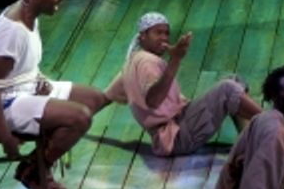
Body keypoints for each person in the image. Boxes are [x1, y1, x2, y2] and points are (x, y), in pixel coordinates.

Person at [0, 0, 108, 189]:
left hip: (24, 88)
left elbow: (21, 65)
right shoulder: (11, 33)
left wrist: (38, 78)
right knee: (79, 117)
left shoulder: (29, 12)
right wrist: (5, 137)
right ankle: (35, 173)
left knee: (94, 98)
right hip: (1, 104)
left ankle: (34, 164)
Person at [104, 12, 263, 156]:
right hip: (176, 136)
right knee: (228, 88)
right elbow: (153, 100)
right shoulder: (146, 61)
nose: (164, 38)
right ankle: (277, 126)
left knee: (234, 80)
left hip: (180, 125)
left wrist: (84, 112)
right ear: (143, 35)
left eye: (166, 33)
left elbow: (104, 97)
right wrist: (176, 59)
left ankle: (249, 139)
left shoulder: (129, 65)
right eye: (158, 32)